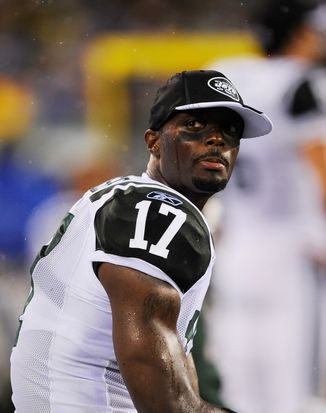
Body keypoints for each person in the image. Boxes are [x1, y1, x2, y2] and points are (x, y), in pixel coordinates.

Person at [10, 69, 272, 413]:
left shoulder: (132, 199)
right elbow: (162, 390)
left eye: (230, 130)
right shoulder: (155, 210)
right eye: (195, 126)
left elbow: (177, 371)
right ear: (153, 141)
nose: (217, 139)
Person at [205, 1, 326, 413]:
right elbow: (323, 179)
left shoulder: (227, 74)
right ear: (298, 33)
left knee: (240, 385)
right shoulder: (300, 84)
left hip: (236, 244)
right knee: (289, 391)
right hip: (289, 251)